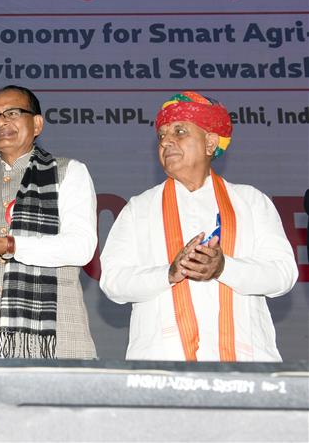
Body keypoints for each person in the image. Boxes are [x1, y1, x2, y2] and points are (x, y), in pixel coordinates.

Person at [0, 85, 98, 442]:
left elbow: (82, 247)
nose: (2, 122)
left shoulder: (69, 173)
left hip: (55, 343)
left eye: (13, 113)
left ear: (38, 124)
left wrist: (8, 245)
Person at [100, 91, 298, 361]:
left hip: (245, 363)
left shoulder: (251, 201)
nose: (165, 141)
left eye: (179, 131)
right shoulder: (139, 208)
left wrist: (224, 268)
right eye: (161, 136)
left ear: (210, 143)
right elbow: (112, 281)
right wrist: (169, 273)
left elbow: (283, 275)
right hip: (161, 364)